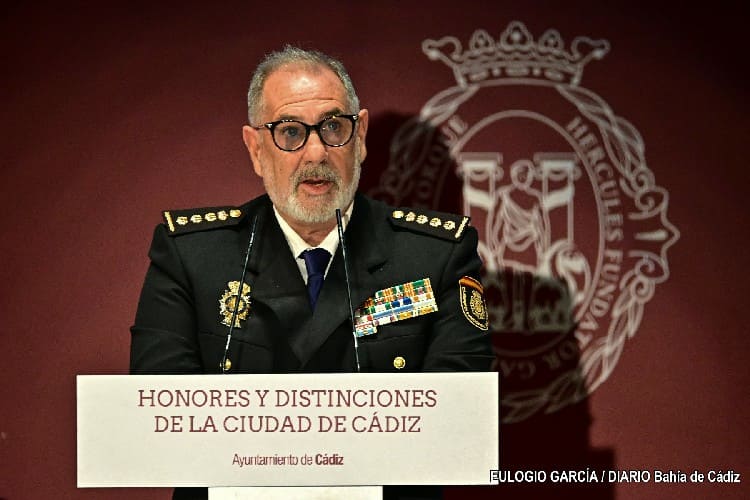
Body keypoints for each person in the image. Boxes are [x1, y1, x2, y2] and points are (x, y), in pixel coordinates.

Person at [130, 45, 494, 500]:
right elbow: (160, 419)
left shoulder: (435, 255)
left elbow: (459, 417)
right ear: (256, 149)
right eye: (290, 132)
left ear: (360, 136)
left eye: (334, 127)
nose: (316, 152)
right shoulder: (193, 255)